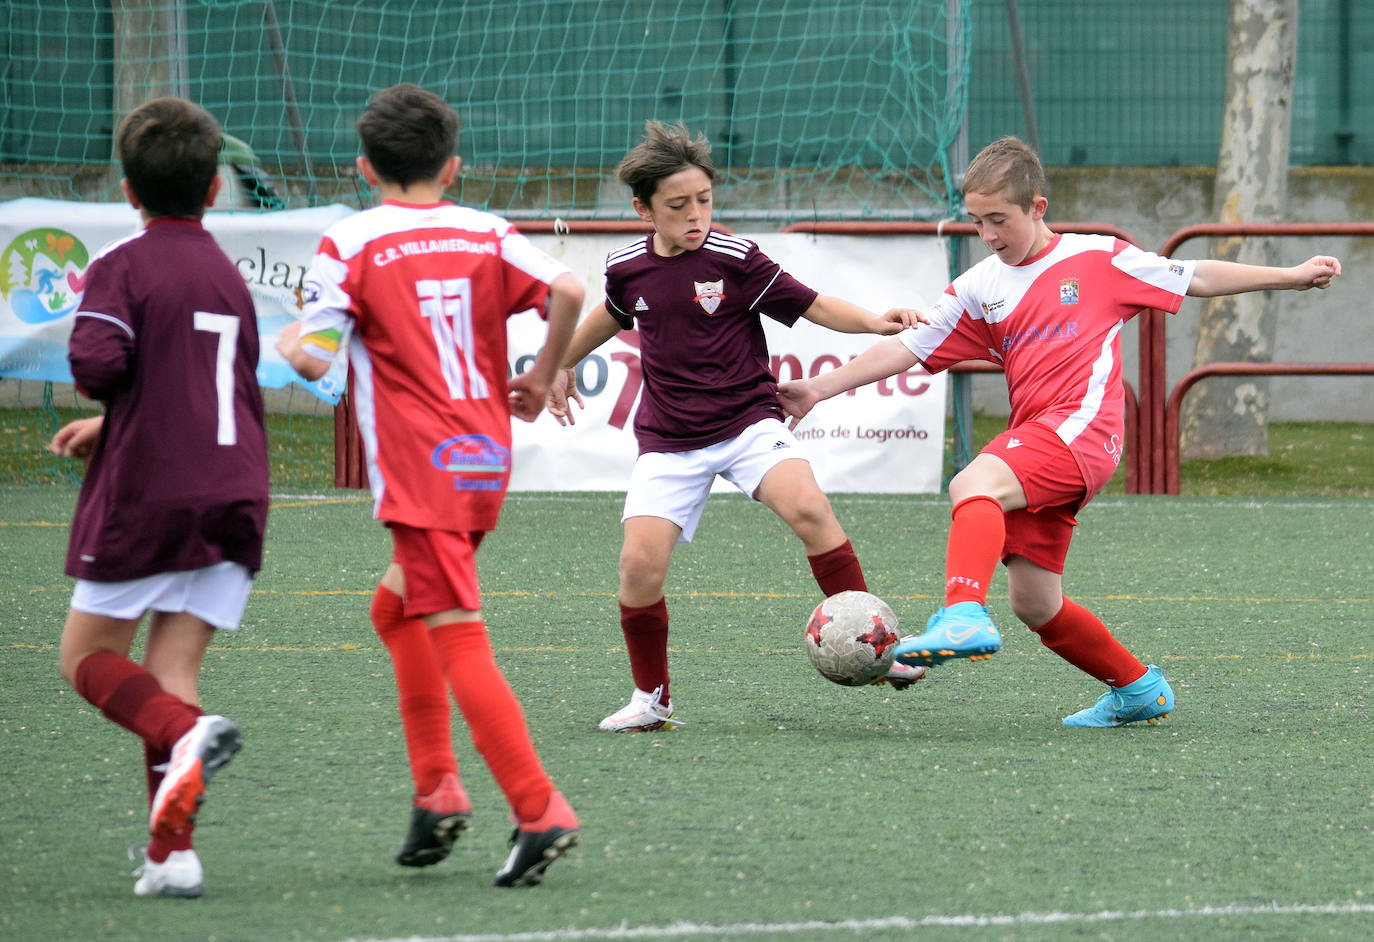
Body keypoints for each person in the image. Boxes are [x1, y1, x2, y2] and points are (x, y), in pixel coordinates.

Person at [779, 135, 1342, 727]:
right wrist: (818, 388)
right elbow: (907, 348)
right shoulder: (979, 287)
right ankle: (1138, 689)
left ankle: (963, 613)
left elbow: (1194, 275)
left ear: (1038, 208)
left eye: (1000, 219)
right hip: (1042, 440)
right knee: (1035, 602)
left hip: (1082, 432)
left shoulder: (1100, 259)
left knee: (974, 483)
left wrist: (1291, 275)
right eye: (977, 222)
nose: (989, 235)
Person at [275, 83, 584, 887]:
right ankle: (436, 789)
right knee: (394, 607)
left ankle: (537, 806)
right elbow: (571, 291)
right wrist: (543, 374)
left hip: (421, 466)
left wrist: (288, 340)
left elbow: (313, 357)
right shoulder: (485, 230)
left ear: (362, 167)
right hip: (484, 454)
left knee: (456, 630)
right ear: (452, 166)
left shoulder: (352, 242)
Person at [546, 120, 927, 733]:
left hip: (749, 421)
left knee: (810, 511)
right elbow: (610, 317)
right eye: (678, 205)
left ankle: (877, 650)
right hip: (669, 440)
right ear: (644, 209)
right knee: (638, 568)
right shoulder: (626, 268)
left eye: (704, 200)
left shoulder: (735, 256)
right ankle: (652, 697)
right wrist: (560, 361)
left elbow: (815, 304)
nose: (695, 214)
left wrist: (878, 323)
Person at [50, 97, 268, 898]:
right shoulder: (228, 277)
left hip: (154, 496)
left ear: (127, 191)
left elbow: (99, 366)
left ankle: (190, 737)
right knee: (169, 670)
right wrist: (112, 428)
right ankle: (174, 856)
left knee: (86, 659)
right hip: (237, 494)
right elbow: (206, 390)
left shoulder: (124, 265)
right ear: (214, 190)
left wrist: (110, 413)